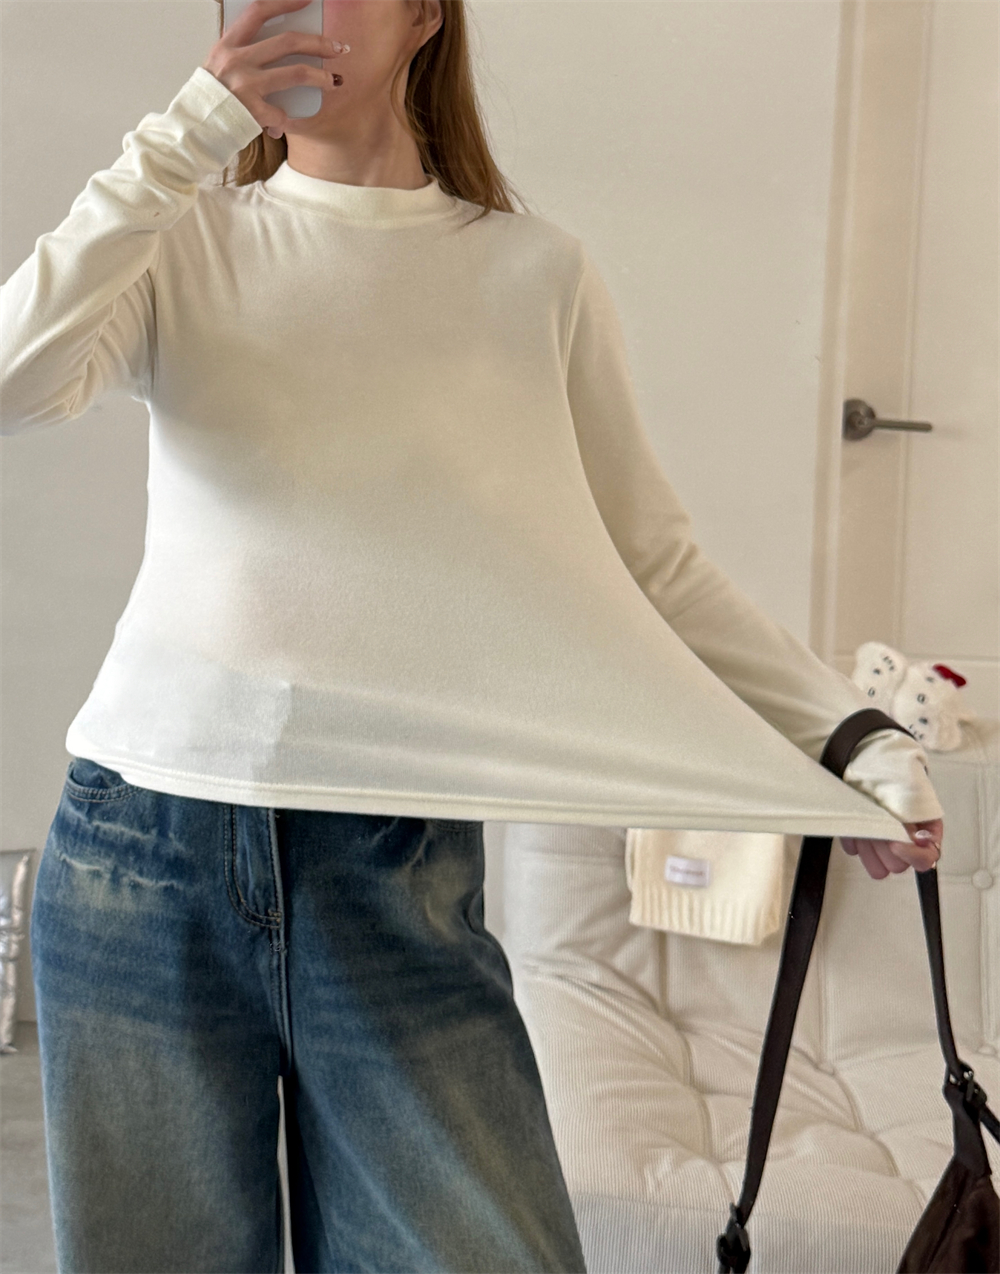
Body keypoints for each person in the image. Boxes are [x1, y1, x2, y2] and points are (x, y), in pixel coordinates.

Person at [0, 1, 943, 1270]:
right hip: (139, 852)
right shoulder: (181, 235)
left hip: (392, 862)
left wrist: (851, 732)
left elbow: (653, 563)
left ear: (423, 17)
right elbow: (13, 382)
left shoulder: (532, 273)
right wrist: (183, 137)